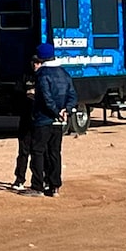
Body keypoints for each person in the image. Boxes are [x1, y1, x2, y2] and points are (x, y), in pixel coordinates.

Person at [24, 43, 77, 198]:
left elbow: (46, 98)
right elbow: (73, 96)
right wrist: (65, 110)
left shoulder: (42, 74)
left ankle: (37, 186)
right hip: (59, 120)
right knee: (55, 152)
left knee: (38, 151)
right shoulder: (64, 73)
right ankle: (54, 186)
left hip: (43, 118)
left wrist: (55, 112)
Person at [11, 47, 42, 191]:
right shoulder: (25, 76)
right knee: (23, 151)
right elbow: (16, 93)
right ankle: (19, 179)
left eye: (38, 62)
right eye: (33, 62)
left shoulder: (44, 77)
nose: (35, 65)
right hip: (26, 118)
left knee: (39, 151)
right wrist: (26, 93)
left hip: (40, 120)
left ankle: (39, 180)